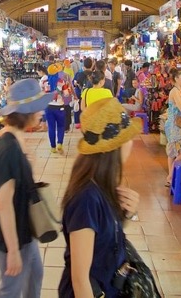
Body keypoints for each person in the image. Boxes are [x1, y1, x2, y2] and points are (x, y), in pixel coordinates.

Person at [58, 97, 142, 297]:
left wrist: (125, 215)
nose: (131, 142)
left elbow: (104, 241)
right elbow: (80, 279)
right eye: (127, 137)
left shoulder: (103, 184)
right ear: (115, 148)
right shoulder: (87, 199)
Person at [0, 79, 52, 298]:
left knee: (35, 275)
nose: (41, 112)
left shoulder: (13, 139)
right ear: (26, 112)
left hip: (25, 228)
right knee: (11, 289)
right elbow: (3, 203)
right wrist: (13, 250)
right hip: (13, 235)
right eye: (38, 108)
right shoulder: (9, 149)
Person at [43, 63, 67, 153]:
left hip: (48, 107)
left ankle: (52, 147)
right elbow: (66, 94)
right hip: (60, 107)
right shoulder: (61, 81)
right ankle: (59, 143)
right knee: (60, 126)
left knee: (51, 127)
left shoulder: (44, 82)